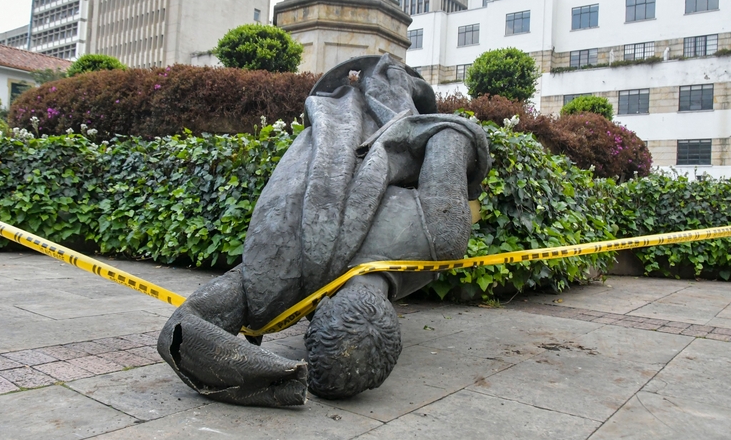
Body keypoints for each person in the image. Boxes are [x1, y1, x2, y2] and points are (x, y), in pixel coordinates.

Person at [157, 54, 490, 407]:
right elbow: (182, 332)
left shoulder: (440, 238)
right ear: (319, 313)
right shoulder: (268, 283)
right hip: (364, 110)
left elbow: (452, 135)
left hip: (341, 116)